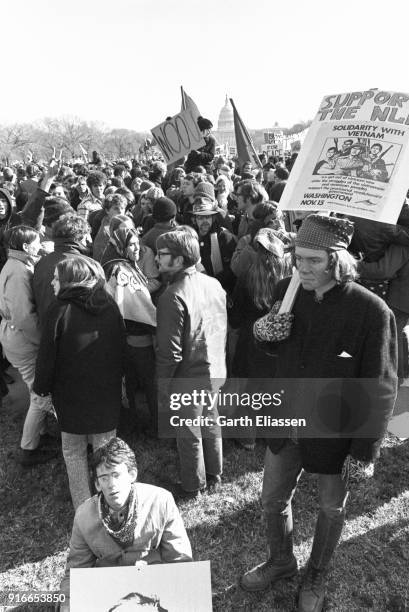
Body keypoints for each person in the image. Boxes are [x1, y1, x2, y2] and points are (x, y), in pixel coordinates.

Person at [240, 214, 397, 612]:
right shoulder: (287, 289)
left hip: (335, 430)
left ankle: (317, 573)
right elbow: (279, 353)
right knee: (272, 499)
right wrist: (265, 334)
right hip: (288, 419)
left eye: (313, 260)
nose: (302, 269)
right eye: (297, 258)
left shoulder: (372, 311)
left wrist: (365, 451)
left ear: (337, 259)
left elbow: (380, 388)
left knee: (331, 507)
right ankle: (281, 561)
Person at [33, 256, 126, 509]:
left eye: (56, 278)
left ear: (70, 281)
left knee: (73, 452)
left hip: (70, 395)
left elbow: (46, 357)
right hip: (105, 392)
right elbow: (121, 347)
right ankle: (113, 502)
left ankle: (84, 509)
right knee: (105, 450)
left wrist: (41, 388)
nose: (52, 282)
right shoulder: (110, 306)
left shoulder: (59, 309)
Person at [59, 438, 192, 611]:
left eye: (116, 475)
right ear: (97, 484)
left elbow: (180, 560)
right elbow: (76, 571)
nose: (112, 485)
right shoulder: (84, 516)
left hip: (153, 588)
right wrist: (68, 604)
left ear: (132, 474)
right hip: (110, 591)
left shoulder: (161, 501)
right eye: (104, 478)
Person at [155, 228, 227, 498]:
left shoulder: (172, 296)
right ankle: (214, 473)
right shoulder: (213, 283)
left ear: (179, 259)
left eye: (162, 255)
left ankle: (193, 485)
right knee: (210, 419)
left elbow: (169, 352)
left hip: (189, 375)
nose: (157, 260)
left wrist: (162, 385)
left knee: (188, 432)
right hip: (215, 369)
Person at [0, 226, 56, 466]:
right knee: (40, 394)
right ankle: (29, 448)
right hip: (22, 338)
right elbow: (24, 317)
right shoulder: (19, 271)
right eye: (36, 242)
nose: (39, 244)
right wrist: (43, 342)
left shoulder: (15, 265)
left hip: (14, 335)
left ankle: (40, 434)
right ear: (25, 247)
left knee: (37, 388)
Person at [103, 225, 157, 433]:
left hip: (126, 335)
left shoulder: (120, 264)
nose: (138, 248)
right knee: (148, 381)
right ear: (121, 247)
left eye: (138, 242)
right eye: (132, 244)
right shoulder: (121, 270)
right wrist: (156, 320)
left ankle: (133, 422)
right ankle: (154, 425)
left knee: (132, 382)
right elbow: (138, 306)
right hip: (136, 335)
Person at [191, 198, 236, 294]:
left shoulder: (224, 236)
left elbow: (232, 268)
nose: (204, 221)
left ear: (213, 218)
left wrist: (213, 284)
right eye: (200, 218)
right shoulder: (191, 237)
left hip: (221, 289)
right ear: (194, 220)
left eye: (207, 217)